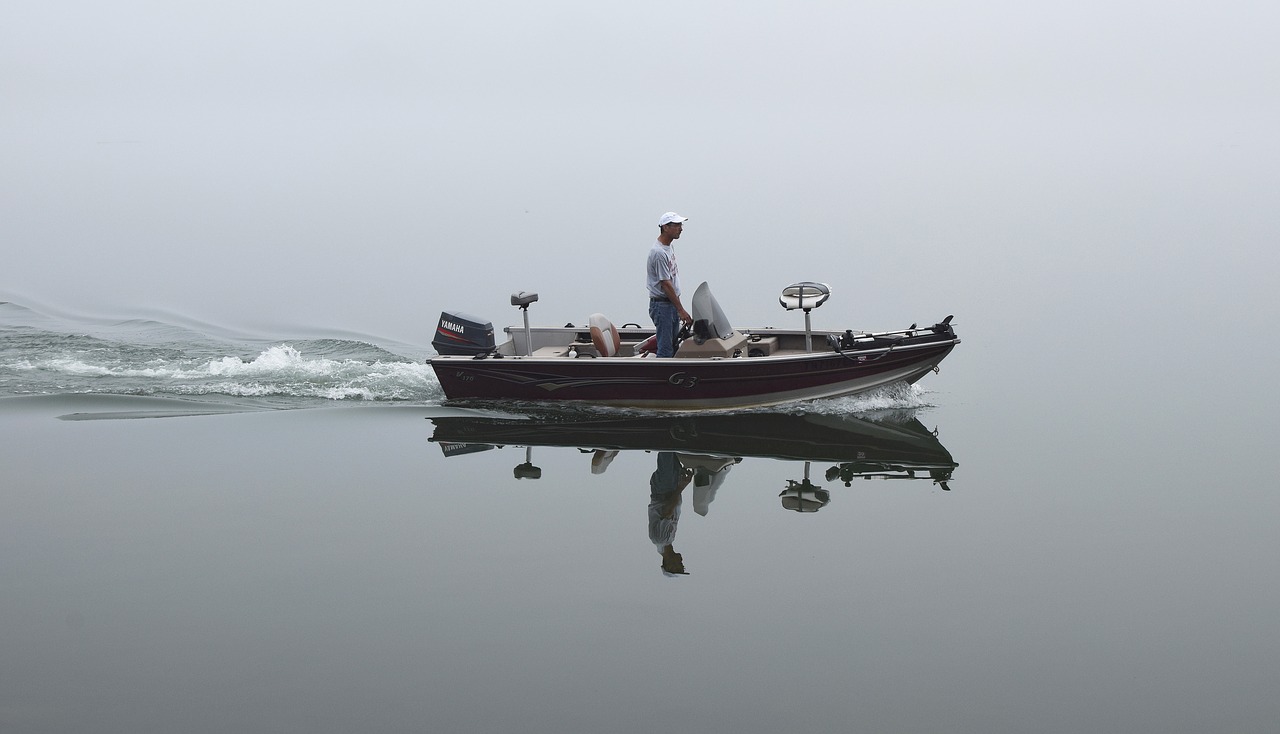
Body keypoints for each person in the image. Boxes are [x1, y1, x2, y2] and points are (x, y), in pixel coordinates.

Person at [646, 211, 693, 358]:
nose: (681, 228)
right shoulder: (659, 252)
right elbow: (665, 284)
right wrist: (681, 310)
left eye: (681, 224)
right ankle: (663, 378)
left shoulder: (668, 247)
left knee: (673, 346)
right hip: (662, 306)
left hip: (670, 304)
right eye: (677, 225)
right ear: (666, 227)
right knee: (665, 350)